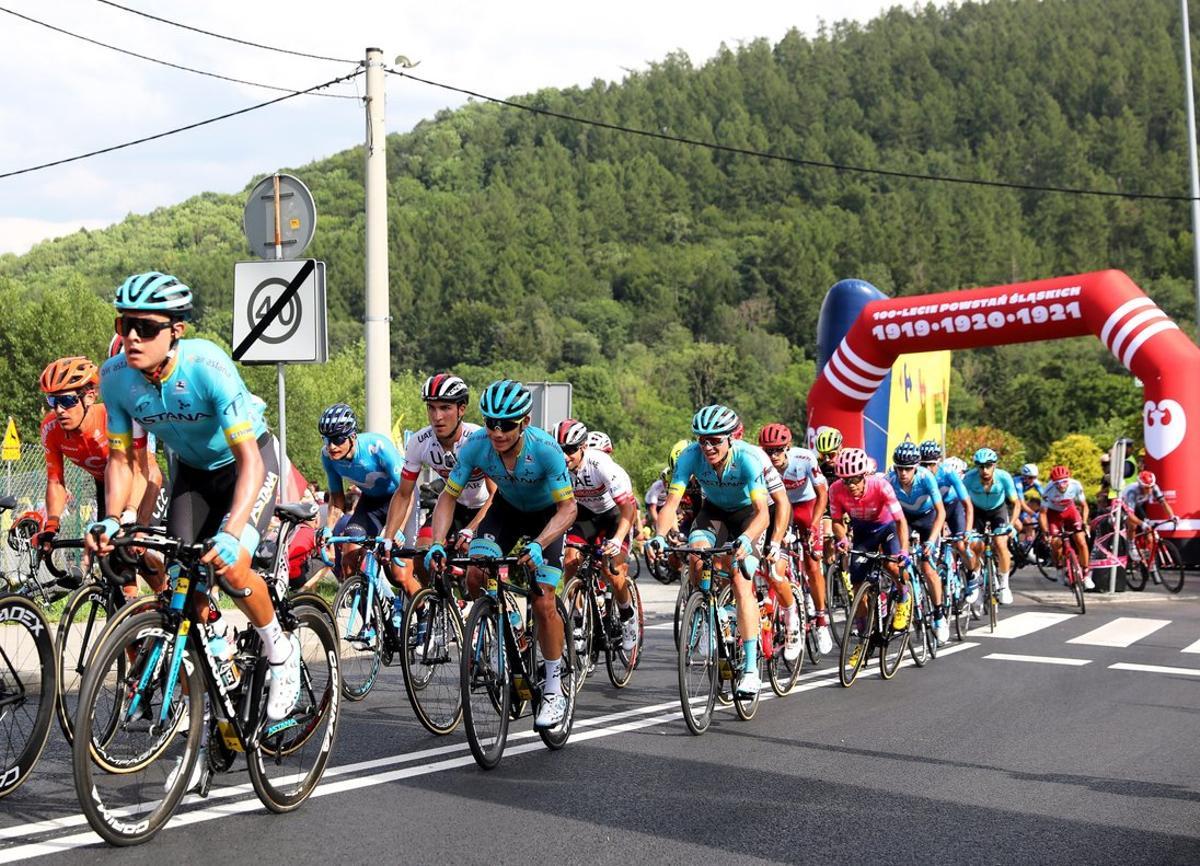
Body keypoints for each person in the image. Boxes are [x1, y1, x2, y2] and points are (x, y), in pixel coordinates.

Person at [85, 271, 299, 734]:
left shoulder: (207, 367)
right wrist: (110, 520)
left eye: (146, 327)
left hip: (249, 463)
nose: (133, 337)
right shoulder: (116, 377)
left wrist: (231, 529)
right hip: (194, 476)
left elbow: (252, 464)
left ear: (175, 330)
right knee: (183, 581)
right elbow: (122, 459)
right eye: (125, 326)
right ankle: (217, 657)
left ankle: (281, 652)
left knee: (231, 564)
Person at [424, 380, 577, 729]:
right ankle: (500, 627)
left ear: (524, 422)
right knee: (477, 573)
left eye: (506, 424)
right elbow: (448, 496)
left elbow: (568, 509)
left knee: (543, 600)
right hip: (506, 512)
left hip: (547, 518)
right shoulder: (476, 446)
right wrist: (437, 540)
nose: (497, 431)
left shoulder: (545, 449)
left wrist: (540, 542)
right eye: (491, 422)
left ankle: (554, 689)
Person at [650, 405, 770, 697]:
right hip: (714, 512)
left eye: (715, 440)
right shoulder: (691, 456)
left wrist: (747, 539)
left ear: (730, 438)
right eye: (702, 439)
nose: (708, 446)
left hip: (746, 517)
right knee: (696, 555)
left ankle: (751, 669)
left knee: (742, 583)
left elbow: (763, 513)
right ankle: (704, 613)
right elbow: (671, 504)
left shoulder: (748, 459)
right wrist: (659, 536)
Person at [382, 374, 494, 595]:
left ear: (461, 409)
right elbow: (404, 494)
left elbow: (495, 495)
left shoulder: (479, 439)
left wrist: (471, 529)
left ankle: (489, 610)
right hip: (452, 505)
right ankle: (442, 605)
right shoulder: (419, 442)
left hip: (485, 508)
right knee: (423, 556)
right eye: (431, 408)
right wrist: (388, 537)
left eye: (445, 408)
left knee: (477, 573)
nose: (437, 416)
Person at [556, 419, 640, 653]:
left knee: (611, 569)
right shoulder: (557, 466)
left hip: (615, 514)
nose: (565, 456)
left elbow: (628, 510)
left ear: (583, 447)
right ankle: (580, 620)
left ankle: (627, 613)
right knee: (570, 560)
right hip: (584, 515)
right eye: (561, 450)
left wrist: (616, 540)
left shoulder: (601, 464)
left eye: (571, 450)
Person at [827, 447, 911, 663]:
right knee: (857, 588)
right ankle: (864, 641)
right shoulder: (836, 490)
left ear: (864, 475)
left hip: (887, 528)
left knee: (893, 567)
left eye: (855, 479)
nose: (851, 485)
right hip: (863, 533)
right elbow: (836, 521)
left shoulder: (881, 485)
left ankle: (903, 597)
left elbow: (901, 521)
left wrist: (904, 551)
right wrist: (843, 539)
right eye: (847, 481)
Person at [758, 422, 833, 656]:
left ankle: (821, 621)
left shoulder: (805, 458)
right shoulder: (759, 464)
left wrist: (814, 524)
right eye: (768, 451)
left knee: (812, 562)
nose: (773, 456)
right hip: (780, 509)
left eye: (778, 450)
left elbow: (823, 493)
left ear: (787, 447)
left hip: (806, 506)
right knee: (770, 558)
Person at [317, 403, 405, 590]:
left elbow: (407, 491)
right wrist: (328, 528)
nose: (331, 446)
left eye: (338, 439)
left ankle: (421, 613)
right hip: (370, 503)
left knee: (398, 575)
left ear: (352, 436)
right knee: (348, 561)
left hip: (399, 500)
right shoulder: (327, 456)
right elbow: (337, 497)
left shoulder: (377, 447)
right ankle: (371, 616)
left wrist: (398, 527)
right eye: (326, 440)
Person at [886, 442, 948, 643]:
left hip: (928, 518)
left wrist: (930, 541)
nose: (903, 473)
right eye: (899, 468)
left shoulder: (925, 477)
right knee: (896, 561)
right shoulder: (891, 479)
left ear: (916, 467)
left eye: (907, 468)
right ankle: (905, 596)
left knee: (928, 567)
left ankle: (939, 615)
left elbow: (941, 512)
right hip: (905, 519)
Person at [961, 447, 1021, 606]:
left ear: (995, 465)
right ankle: (976, 576)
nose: (985, 470)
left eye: (988, 465)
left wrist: (1011, 524)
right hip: (977, 512)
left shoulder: (1004, 477)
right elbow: (962, 504)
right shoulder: (969, 478)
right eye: (980, 466)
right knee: (975, 545)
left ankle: (1004, 584)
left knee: (1001, 544)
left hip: (998, 511)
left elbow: (1016, 503)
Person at [918, 440, 973, 580]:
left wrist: (968, 530)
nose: (928, 468)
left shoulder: (948, 472)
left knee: (960, 545)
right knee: (930, 553)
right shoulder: (918, 475)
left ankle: (973, 574)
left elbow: (967, 504)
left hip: (953, 506)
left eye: (931, 464)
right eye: (924, 464)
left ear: (939, 461)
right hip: (934, 510)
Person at [1039, 464, 1093, 588]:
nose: (1062, 485)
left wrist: (1084, 522)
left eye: (1064, 481)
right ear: (1053, 483)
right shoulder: (1048, 491)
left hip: (1070, 511)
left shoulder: (1076, 485)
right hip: (1054, 515)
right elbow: (1042, 513)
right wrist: (1045, 531)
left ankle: (1085, 573)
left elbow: (1084, 506)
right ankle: (1059, 567)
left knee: (1081, 541)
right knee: (1056, 542)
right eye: (1058, 483)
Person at [1119, 470, 1175, 562]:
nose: (1149, 490)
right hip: (1124, 506)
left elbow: (1163, 503)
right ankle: (1131, 545)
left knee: (1149, 532)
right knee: (1133, 525)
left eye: (1151, 487)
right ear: (1141, 486)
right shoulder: (1132, 492)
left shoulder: (1154, 487)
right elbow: (1130, 514)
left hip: (1138, 505)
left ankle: (1148, 557)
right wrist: (1142, 524)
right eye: (1146, 488)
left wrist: (1172, 516)